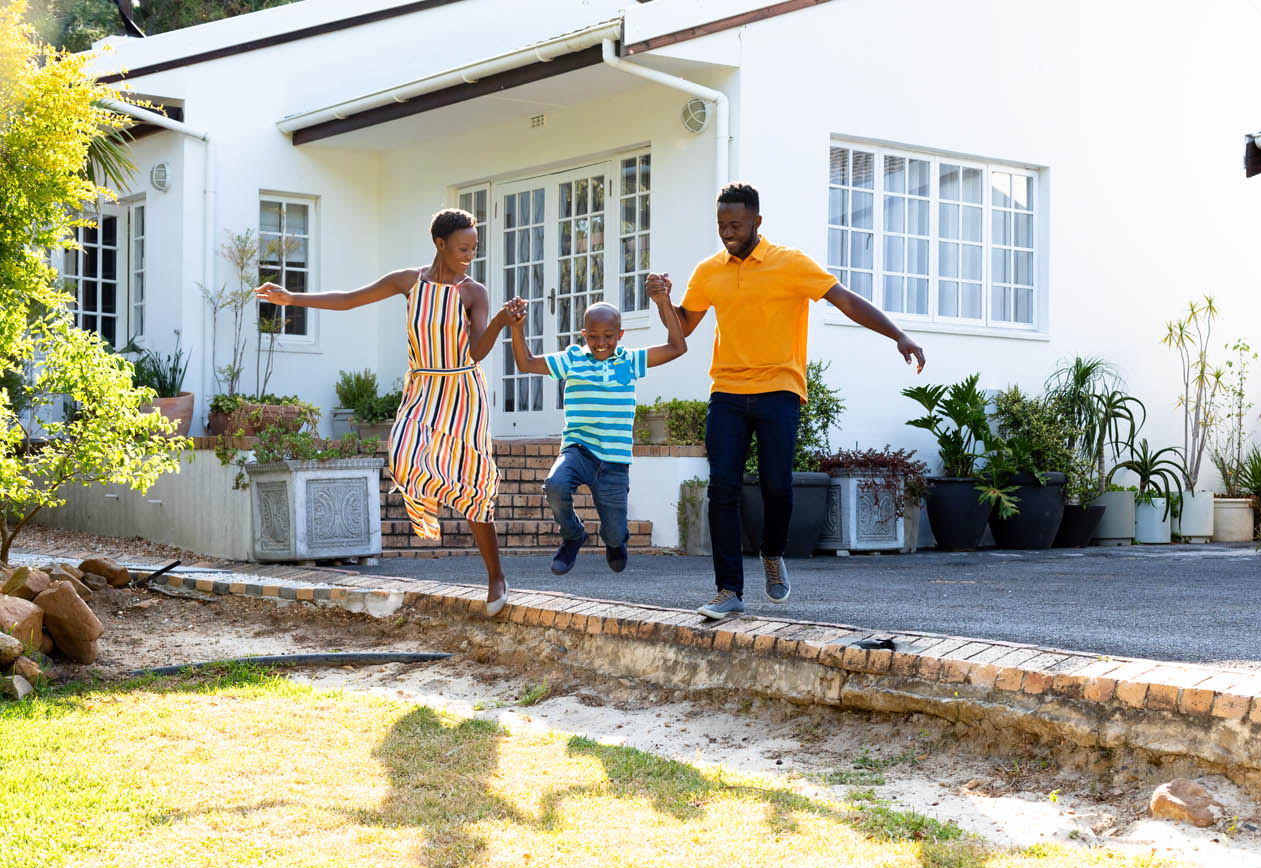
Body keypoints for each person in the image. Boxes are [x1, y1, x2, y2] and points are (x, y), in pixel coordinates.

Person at [649, 182, 925, 620]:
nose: (727, 233)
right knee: (722, 488)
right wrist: (664, 302)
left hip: (780, 389)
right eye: (721, 225)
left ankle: (772, 553)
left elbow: (846, 300)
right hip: (727, 392)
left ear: (758, 221)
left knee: (777, 485)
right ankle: (728, 590)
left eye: (736, 224)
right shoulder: (708, 271)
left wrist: (898, 335)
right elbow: (682, 330)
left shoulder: (791, 264)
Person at [253, 208, 523, 616]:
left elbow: (477, 352)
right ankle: (434, 496)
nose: (470, 255)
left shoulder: (474, 292)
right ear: (440, 244)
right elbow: (349, 299)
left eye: (474, 248)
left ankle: (495, 576)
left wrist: (502, 319)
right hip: (423, 385)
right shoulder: (408, 282)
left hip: (464, 392)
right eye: (463, 247)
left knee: (474, 483)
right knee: (402, 452)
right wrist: (293, 298)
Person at [507, 294, 687, 575]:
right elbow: (527, 364)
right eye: (593, 336)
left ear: (620, 334)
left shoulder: (630, 360)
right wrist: (517, 327)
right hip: (579, 451)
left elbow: (677, 347)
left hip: (614, 462)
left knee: (615, 533)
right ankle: (573, 535)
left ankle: (615, 543)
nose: (601, 343)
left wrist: (663, 302)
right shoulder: (573, 359)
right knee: (555, 485)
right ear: (583, 334)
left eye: (608, 336)